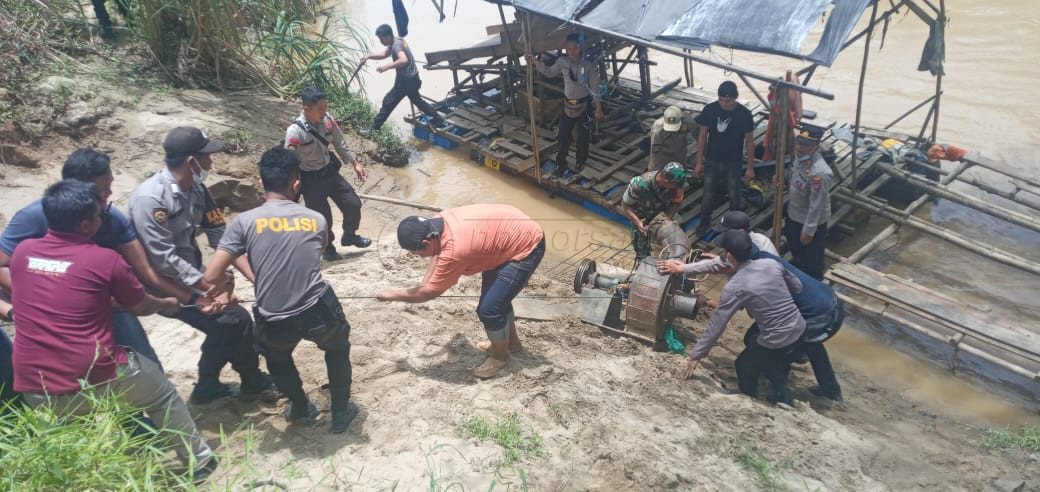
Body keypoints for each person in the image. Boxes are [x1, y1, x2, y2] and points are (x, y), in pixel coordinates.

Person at [9, 180, 216, 478]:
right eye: (98, 216)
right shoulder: (105, 259)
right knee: (160, 392)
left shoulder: (24, 252)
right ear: (85, 225)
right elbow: (140, 305)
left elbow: (64, 287)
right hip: (92, 376)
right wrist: (166, 303)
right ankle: (200, 460)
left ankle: (84, 477)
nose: (101, 219)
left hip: (34, 384)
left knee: (74, 432)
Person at [203, 147, 360, 433]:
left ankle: (300, 405)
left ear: (261, 184)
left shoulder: (243, 223)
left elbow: (212, 274)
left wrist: (228, 287)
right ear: (297, 183)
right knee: (337, 349)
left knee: (277, 358)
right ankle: (340, 413)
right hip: (317, 310)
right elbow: (315, 253)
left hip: (273, 315)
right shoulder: (317, 219)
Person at [0, 148, 202, 367]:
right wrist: (35, 297)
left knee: (144, 361)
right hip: (51, 314)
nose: (110, 192)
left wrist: (190, 298)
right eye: (105, 187)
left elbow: (147, 272)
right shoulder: (34, 217)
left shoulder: (112, 219)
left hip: (109, 307)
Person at [129, 127, 274, 404]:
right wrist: (209, 288)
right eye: (207, 157)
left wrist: (255, 278)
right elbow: (164, 259)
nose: (211, 163)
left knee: (233, 321)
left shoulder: (198, 190)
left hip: (191, 276)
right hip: (160, 285)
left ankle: (222, 384)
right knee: (232, 321)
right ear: (192, 161)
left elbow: (222, 237)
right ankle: (241, 380)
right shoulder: (151, 199)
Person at [376, 204, 545, 379]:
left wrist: (389, 295)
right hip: (506, 236)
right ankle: (512, 344)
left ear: (426, 243)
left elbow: (429, 293)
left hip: (526, 246)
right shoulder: (438, 223)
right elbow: (437, 252)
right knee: (498, 300)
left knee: (489, 309)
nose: (416, 256)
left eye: (415, 253)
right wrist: (425, 280)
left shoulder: (455, 251)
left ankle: (501, 356)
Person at [681, 230, 805, 406]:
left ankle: (749, 399)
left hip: (777, 337)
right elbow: (797, 287)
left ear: (729, 255)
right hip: (799, 327)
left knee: (744, 365)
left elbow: (717, 324)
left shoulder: (737, 285)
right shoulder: (770, 264)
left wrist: (696, 356)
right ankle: (783, 397)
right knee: (773, 362)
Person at [285, 85, 371, 262]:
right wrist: (293, 181)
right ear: (307, 109)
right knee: (323, 218)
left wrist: (355, 163)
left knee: (353, 204)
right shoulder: (295, 132)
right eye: (320, 109)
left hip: (330, 172)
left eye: (326, 108)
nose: (324, 112)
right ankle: (328, 248)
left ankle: (349, 235)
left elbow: (340, 144)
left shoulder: (328, 121)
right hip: (310, 179)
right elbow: (289, 159)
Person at [526, 33, 604, 176]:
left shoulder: (588, 66)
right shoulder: (562, 62)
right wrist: (535, 62)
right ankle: (560, 163)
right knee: (563, 136)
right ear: (566, 49)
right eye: (569, 49)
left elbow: (595, 88)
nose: (572, 52)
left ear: (580, 48)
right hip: (568, 105)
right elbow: (549, 72)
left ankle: (580, 161)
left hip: (583, 106)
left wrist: (598, 108)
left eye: (575, 48)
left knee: (583, 136)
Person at [694, 81, 756, 237]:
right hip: (712, 159)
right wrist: (699, 162)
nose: (724, 104)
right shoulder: (710, 110)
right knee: (708, 193)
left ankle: (735, 227)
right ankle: (704, 222)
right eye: (721, 100)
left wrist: (750, 167)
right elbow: (702, 136)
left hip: (734, 161)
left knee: (734, 194)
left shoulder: (744, 114)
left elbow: (749, 141)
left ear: (735, 98)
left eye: (728, 101)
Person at [359, 24, 445, 134]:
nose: (380, 41)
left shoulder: (397, 45)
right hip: (413, 78)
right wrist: (369, 56)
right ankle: (438, 119)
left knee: (388, 101)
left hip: (406, 81)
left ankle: (374, 129)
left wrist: (386, 67)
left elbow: (403, 60)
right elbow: (385, 53)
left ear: (388, 36)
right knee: (418, 101)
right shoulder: (398, 40)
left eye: (381, 38)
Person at [657, 210, 776, 277]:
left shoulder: (754, 247)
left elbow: (729, 269)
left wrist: (682, 268)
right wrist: (718, 258)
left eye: (726, 232)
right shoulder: (750, 242)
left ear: (740, 231)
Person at [784, 126, 833, 279]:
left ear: (815, 148)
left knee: (813, 262)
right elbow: (793, 178)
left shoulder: (819, 172)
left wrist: (809, 230)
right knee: (797, 253)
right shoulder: (799, 159)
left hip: (810, 222)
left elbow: (817, 204)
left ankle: (814, 285)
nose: (799, 148)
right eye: (798, 143)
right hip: (794, 214)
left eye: (805, 146)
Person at [621, 162, 686, 258]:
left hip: (662, 217)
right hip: (642, 220)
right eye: (676, 186)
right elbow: (625, 204)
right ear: (666, 181)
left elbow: (676, 202)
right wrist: (637, 221)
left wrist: (666, 218)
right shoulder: (639, 185)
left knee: (671, 249)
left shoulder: (676, 187)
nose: (679, 188)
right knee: (643, 253)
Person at [762, 73, 803, 162]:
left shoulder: (789, 90)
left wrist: (793, 127)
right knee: (771, 143)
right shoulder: (773, 95)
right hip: (778, 118)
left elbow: (793, 115)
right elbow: (778, 113)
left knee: (788, 143)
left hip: (788, 118)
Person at [648, 106, 697, 172]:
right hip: (663, 159)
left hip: (680, 157)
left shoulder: (688, 122)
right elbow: (655, 153)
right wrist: (656, 172)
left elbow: (700, 137)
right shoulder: (658, 128)